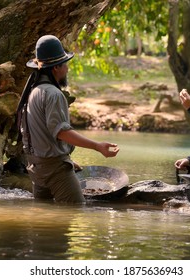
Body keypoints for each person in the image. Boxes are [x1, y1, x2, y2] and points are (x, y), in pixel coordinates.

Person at [17, 35, 119, 203]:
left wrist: (67, 159)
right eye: (65, 64)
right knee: (76, 209)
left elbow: (41, 135)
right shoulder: (53, 94)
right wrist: (97, 146)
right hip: (54, 170)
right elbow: (61, 132)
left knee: (44, 218)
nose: (67, 69)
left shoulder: (33, 92)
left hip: (36, 168)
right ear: (56, 67)